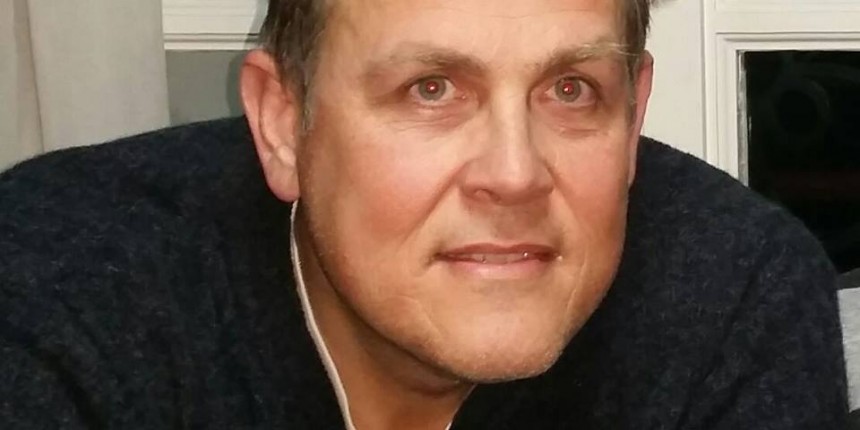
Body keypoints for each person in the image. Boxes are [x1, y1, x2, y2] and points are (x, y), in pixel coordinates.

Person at [0, 0, 849, 428]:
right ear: (283, 123)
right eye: (431, 89)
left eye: (571, 89)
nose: (515, 175)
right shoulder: (57, 297)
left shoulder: (734, 298)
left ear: (633, 120)